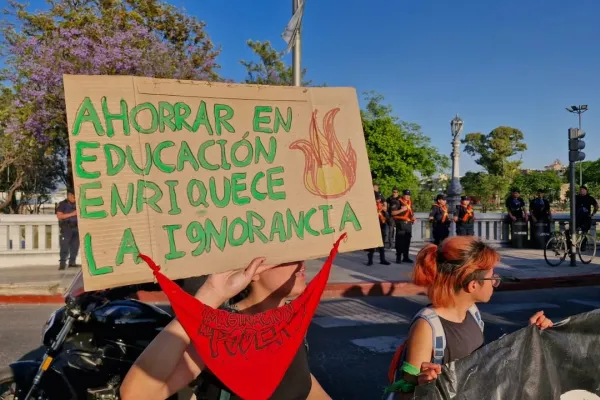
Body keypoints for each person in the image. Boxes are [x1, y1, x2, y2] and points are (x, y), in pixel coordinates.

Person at [120, 259, 331, 400]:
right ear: (253, 271)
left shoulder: (292, 323)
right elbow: (137, 395)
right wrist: (210, 296)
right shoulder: (222, 331)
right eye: (286, 257)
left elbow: (299, 382)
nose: (301, 261)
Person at [389, 236, 553, 397]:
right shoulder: (427, 327)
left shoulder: (472, 312)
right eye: (492, 276)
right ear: (472, 285)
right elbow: (405, 393)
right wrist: (424, 386)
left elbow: (483, 365)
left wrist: (529, 334)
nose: (495, 281)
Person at [56, 189, 79, 270]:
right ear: (69, 195)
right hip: (66, 228)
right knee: (64, 246)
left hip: (76, 228)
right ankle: (62, 263)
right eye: (73, 196)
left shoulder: (78, 203)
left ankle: (72, 263)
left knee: (75, 246)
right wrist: (73, 214)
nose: (74, 198)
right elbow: (59, 216)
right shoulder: (63, 204)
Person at [391, 190, 415, 264]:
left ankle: (406, 257)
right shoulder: (397, 202)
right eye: (406, 195)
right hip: (400, 223)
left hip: (408, 223)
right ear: (403, 195)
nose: (408, 196)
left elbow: (411, 212)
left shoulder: (410, 202)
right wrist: (401, 210)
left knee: (407, 240)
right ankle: (398, 257)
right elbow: (392, 212)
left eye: (409, 195)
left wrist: (413, 218)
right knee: (400, 241)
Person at [368, 190, 391, 266]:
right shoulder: (370, 206)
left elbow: (386, 217)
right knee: (373, 244)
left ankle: (382, 259)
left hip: (382, 226)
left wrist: (385, 211)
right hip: (374, 226)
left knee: (382, 244)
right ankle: (370, 259)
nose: (379, 200)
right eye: (377, 198)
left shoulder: (381, 206)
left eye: (379, 198)